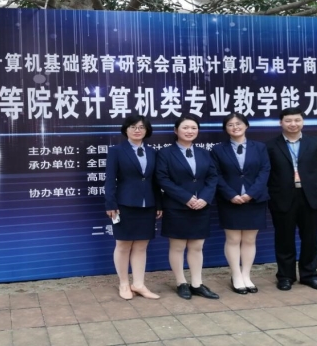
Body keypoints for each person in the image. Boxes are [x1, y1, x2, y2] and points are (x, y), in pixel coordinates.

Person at [265, 107, 317, 291]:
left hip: (309, 196)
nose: (293, 124)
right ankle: (285, 276)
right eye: (288, 121)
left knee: (310, 238)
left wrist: (309, 184)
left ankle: (310, 275)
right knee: (284, 239)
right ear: (281, 123)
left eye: (297, 120)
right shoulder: (270, 146)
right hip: (282, 197)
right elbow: (268, 172)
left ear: (302, 122)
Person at [156, 115, 219, 300]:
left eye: (193, 128)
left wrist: (205, 198)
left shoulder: (204, 153)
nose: (190, 131)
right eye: (185, 128)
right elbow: (162, 179)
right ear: (176, 131)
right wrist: (186, 198)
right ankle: (181, 282)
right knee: (177, 246)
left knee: (197, 246)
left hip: (201, 207)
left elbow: (212, 177)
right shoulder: (165, 153)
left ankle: (197, 284)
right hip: (176, 206)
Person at [211, 113, 270, 294]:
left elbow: (265, 171)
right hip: (230, 200)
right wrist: (230, 194)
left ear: (246, 126)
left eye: (238, 124)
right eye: (230, 124)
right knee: (233, 239)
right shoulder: (218, 149)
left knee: (250, 240)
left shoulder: (259, 147)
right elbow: (216, 175)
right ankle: (236, 275)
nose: (235, 127)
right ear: (225, 128)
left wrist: (251, 194)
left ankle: (246, 275)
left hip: (255, 200)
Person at [104, 114, 162, 300]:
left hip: (148, 205)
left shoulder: (152, 152)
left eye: (141, 127)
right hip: (123, 204)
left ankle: (138, 284)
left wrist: (158, 203)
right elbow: (110, 179)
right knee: (123, 245)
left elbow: (155, 181)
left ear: (147, 130)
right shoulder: (117, 151)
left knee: (141, 245)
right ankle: (123, 283)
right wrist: (111, 203)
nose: (137, 130)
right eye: (133, 127)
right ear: (126, 129)